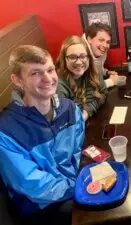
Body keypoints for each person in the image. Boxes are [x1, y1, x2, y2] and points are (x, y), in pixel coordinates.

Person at [0, 45, 85, 224]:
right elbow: (32, 185)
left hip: (71, 186)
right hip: (40, 206)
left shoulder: (69, 108)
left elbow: (77, 151)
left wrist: (81, 179)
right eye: (35, 73)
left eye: (50, 70)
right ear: (17, 80)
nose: (48, 78)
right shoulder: (6, 131)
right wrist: (78, 187)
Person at [56, 35, 107, 121]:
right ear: (64, 59)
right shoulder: (59, 84)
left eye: (83, 56)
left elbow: (103, 93)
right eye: (72, 57)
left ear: (88, 58)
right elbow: (69, 116)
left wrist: (87, 111)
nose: (79, 62)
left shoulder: (95, 70)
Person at [82, 22, 119, 88]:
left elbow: (97, 68)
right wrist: (110, 82)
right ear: (89, 39)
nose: (105, 45)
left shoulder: (98, 50)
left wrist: (106, 72)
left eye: (107, 42)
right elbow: (84, 89)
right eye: (101, 40)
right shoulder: (81, 57)